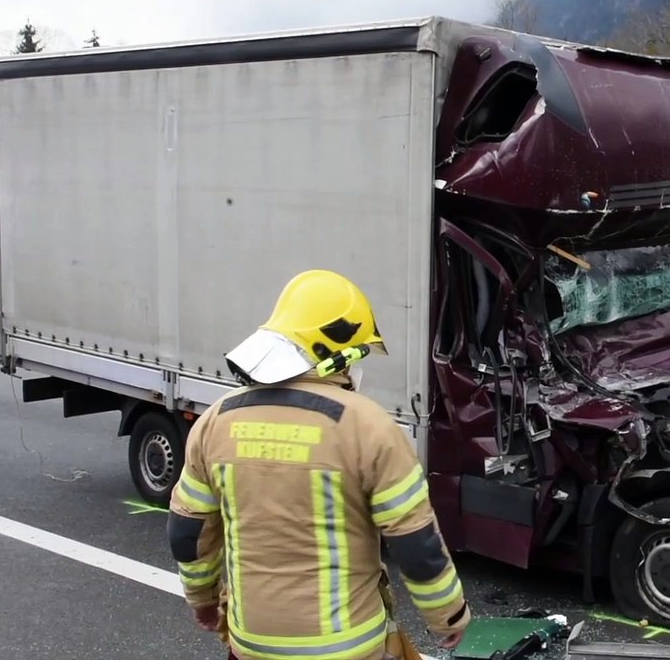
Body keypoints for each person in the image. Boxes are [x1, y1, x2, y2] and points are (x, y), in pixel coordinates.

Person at [167, 269, 470, 660]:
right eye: (357, 354)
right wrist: (448, 617)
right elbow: (416, 544)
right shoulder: (369, 426)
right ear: (333, 353)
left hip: (252, 646)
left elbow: (187, 534)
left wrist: (203, 601)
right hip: (348, 647)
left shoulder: (216, 421)